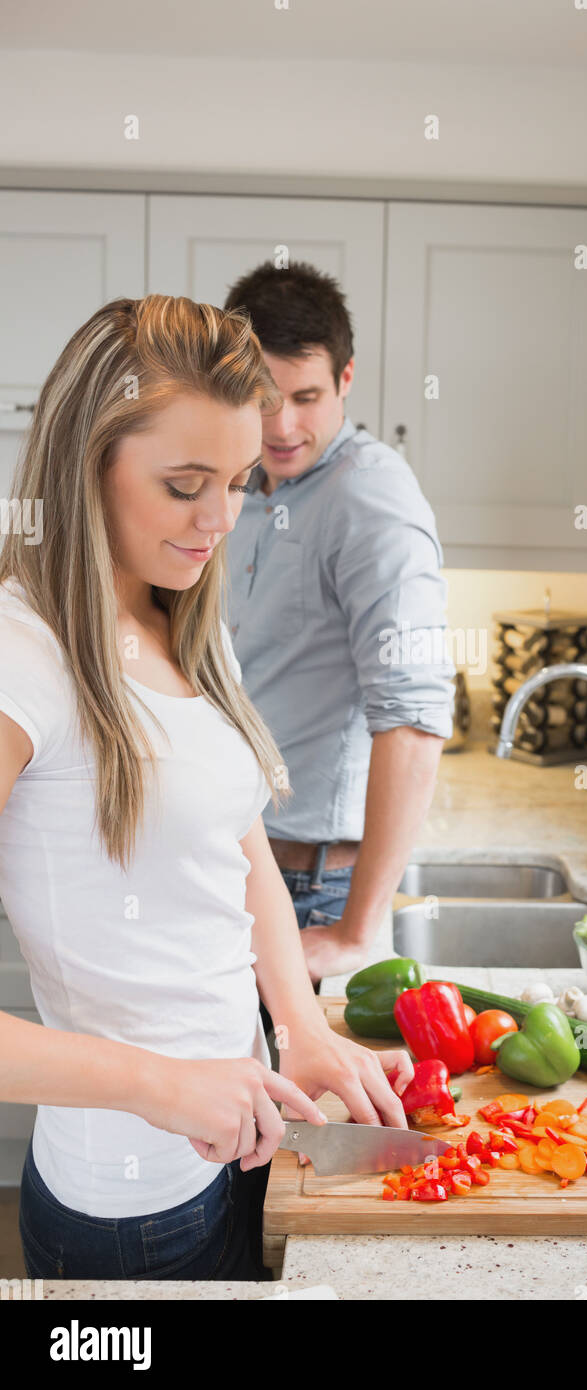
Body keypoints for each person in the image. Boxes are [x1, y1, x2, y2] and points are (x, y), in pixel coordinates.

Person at [0, 295, 413, 1281]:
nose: (219, 519)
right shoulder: (23, 658)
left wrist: (301, 1029)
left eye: (237, 481)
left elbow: (238, 848)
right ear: (85, 460)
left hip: (242, 1149)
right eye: (185, 484)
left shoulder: (176, 612)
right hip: (125, 1206)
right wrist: (163, 1085)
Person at [223, 262, 455, 995]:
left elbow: (415, 718)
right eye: (262, 397)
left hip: (310, 890)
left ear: (346, 379)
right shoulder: (242, 485)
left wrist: (355, 931)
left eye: (307, 397)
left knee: (277, 1109)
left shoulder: (371, 497)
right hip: (236, 867)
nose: (282, 425)